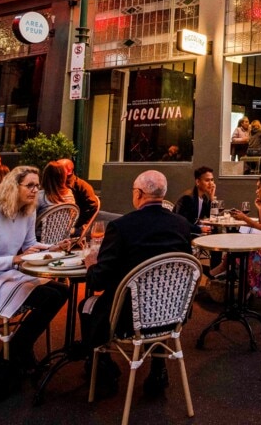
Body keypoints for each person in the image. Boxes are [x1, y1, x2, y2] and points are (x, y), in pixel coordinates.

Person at [80, 170, 193, 400]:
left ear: (139, 194)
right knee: (158, 297)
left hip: (128, 316)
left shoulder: (122, 227)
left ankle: (103, 367)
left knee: (86, 305)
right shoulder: (181, 225)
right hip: (173, 312)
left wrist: (91, 264)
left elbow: (98, 280)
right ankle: (158, 369)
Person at [0, 166, 69, 373]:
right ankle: (18, 351)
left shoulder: (27, 212)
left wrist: (53, 247)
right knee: (49, 297)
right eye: (29, 185)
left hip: (8, 276)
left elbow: (31, 243)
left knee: (62, 291)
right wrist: (15, 260)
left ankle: (17, 348)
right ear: (13, 187)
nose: (34, 191)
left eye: (37, 186)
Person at [57, 158, 101, 237]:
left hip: (74, 227)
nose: (55, 171)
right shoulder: (54, 184)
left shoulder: (83, 186)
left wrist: (80, 224)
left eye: (58, 169)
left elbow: (93, 206)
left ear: (69, 171)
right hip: (56, 224)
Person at [174, 166, 216, 235]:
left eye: (212, 180)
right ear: (197, 182)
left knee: (214, 231)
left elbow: (210, 216)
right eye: (207, 180)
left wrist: (211, 197)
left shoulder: (204, 197)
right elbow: (181, 222)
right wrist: (199, 229)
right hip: (182, 234)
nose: (211, 183)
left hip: (194, 232)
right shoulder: (187, 198)